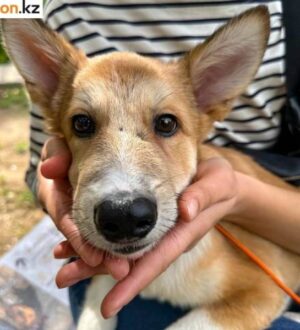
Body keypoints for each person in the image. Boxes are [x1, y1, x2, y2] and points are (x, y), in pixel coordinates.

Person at [26, 1, 300, 329]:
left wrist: (238, 195)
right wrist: (48, 187)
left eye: (165, 124)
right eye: (84, 124)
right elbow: (36, 171)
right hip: (96, 253)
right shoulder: (64, 9)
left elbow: (262, 291)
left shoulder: (291, 16)